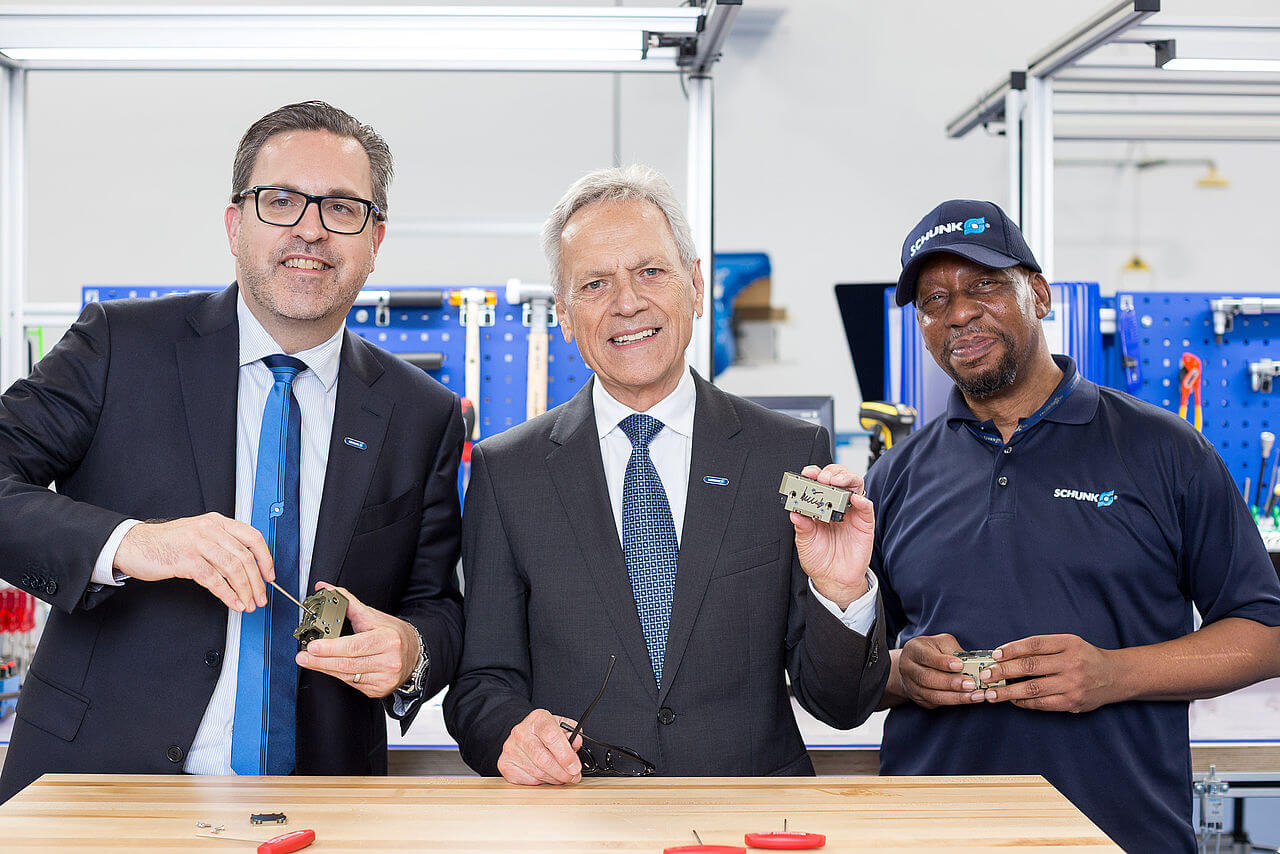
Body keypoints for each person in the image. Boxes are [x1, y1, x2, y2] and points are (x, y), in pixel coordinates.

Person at [0, 101, 465, 801]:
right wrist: (132, 543)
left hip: (321, 803)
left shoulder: (421, 411)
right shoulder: (119, 347)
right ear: (234, 223)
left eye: (341, 207)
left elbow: (438, 603)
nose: (310, 228)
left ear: (375, 239)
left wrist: (411, 650)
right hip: (96, 786)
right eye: (280, 201)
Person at [443, 164, 887, 784]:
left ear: (695, 286)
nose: (628, 303)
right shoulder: (507, 471)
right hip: (579, 826)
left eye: (650, 271)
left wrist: (841, 593)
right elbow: (482, 685)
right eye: (595, 284)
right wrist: (509, 736)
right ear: (566, 318)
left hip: (750, 826)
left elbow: (841, 706)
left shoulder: (786, 455)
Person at [869, 198, 1280, 852]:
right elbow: (857, 666)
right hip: (934, 833)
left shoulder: (1165, 451)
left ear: (1039, 294)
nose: (959, 313)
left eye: (983, 287)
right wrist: (901, 672)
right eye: (933, 300)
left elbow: (1265, 631)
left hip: (1120, 834)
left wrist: (1116, 674)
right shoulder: (895, 476)